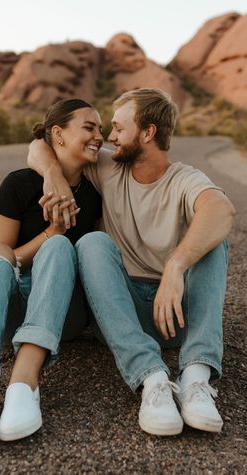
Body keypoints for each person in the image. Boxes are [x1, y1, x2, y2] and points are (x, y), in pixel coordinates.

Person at [28, 88, 236, 437]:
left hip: (175, 314)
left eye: (118, 128)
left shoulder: (185, 178)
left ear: (147, 132)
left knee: (214, 241)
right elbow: (39, 145)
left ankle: (196, 377)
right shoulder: (109, 168)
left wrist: (175, 267)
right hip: (122, 313)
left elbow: (221, 209)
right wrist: (52, 174)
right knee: (93, 243)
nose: (109, 137)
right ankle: (152, 379)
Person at [0, 98, 103, 447]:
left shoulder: (95, 195)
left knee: (62, 250)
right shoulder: (18, 184)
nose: (99, 135)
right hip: (13, 309)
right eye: (89, 127)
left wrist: (58, 242)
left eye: (101, 128)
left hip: (65, 312)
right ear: (58, 134)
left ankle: (25, 382)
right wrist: (53, 232)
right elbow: (4, 260)